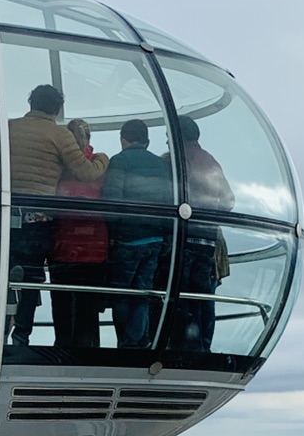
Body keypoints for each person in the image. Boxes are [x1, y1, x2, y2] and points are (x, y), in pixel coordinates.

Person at [5, 84, 106, 346]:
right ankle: (21, 337)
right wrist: (104, 159)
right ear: (58, 108)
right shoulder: (59, 135)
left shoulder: (8, 128)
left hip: (3, 218)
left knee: (0, 275)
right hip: (38, 222)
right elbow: (86, 172)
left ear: (30, 103)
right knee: (31, 278)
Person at [100, 118, 174, 349]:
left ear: (123, 139)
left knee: (121, 293)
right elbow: (169, 200)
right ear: (147, 141)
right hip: (155, 238)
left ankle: (126, 341)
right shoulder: (161, 166)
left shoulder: (119, 161)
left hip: (127, 239)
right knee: (143, 293)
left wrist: (112, 234)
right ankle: (137, 340)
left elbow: (112, 200)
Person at [171, 115, 233, 352]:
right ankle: (203, 344)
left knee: (181, 294)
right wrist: (209, 214)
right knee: (204, 295)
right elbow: (229, 200)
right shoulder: (211, 162)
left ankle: (185, 343)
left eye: (170, 137)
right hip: (207, 240)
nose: (168, 142)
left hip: (185, 239)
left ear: (179, 136)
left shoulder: (178, 160)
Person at [48, 119, 108, 348]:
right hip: (95, 248)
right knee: (89, 309)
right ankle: (90, 353)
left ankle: (61, 353)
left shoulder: (60, 167)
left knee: (62, 306)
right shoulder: (102, 165)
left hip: (64, 247)